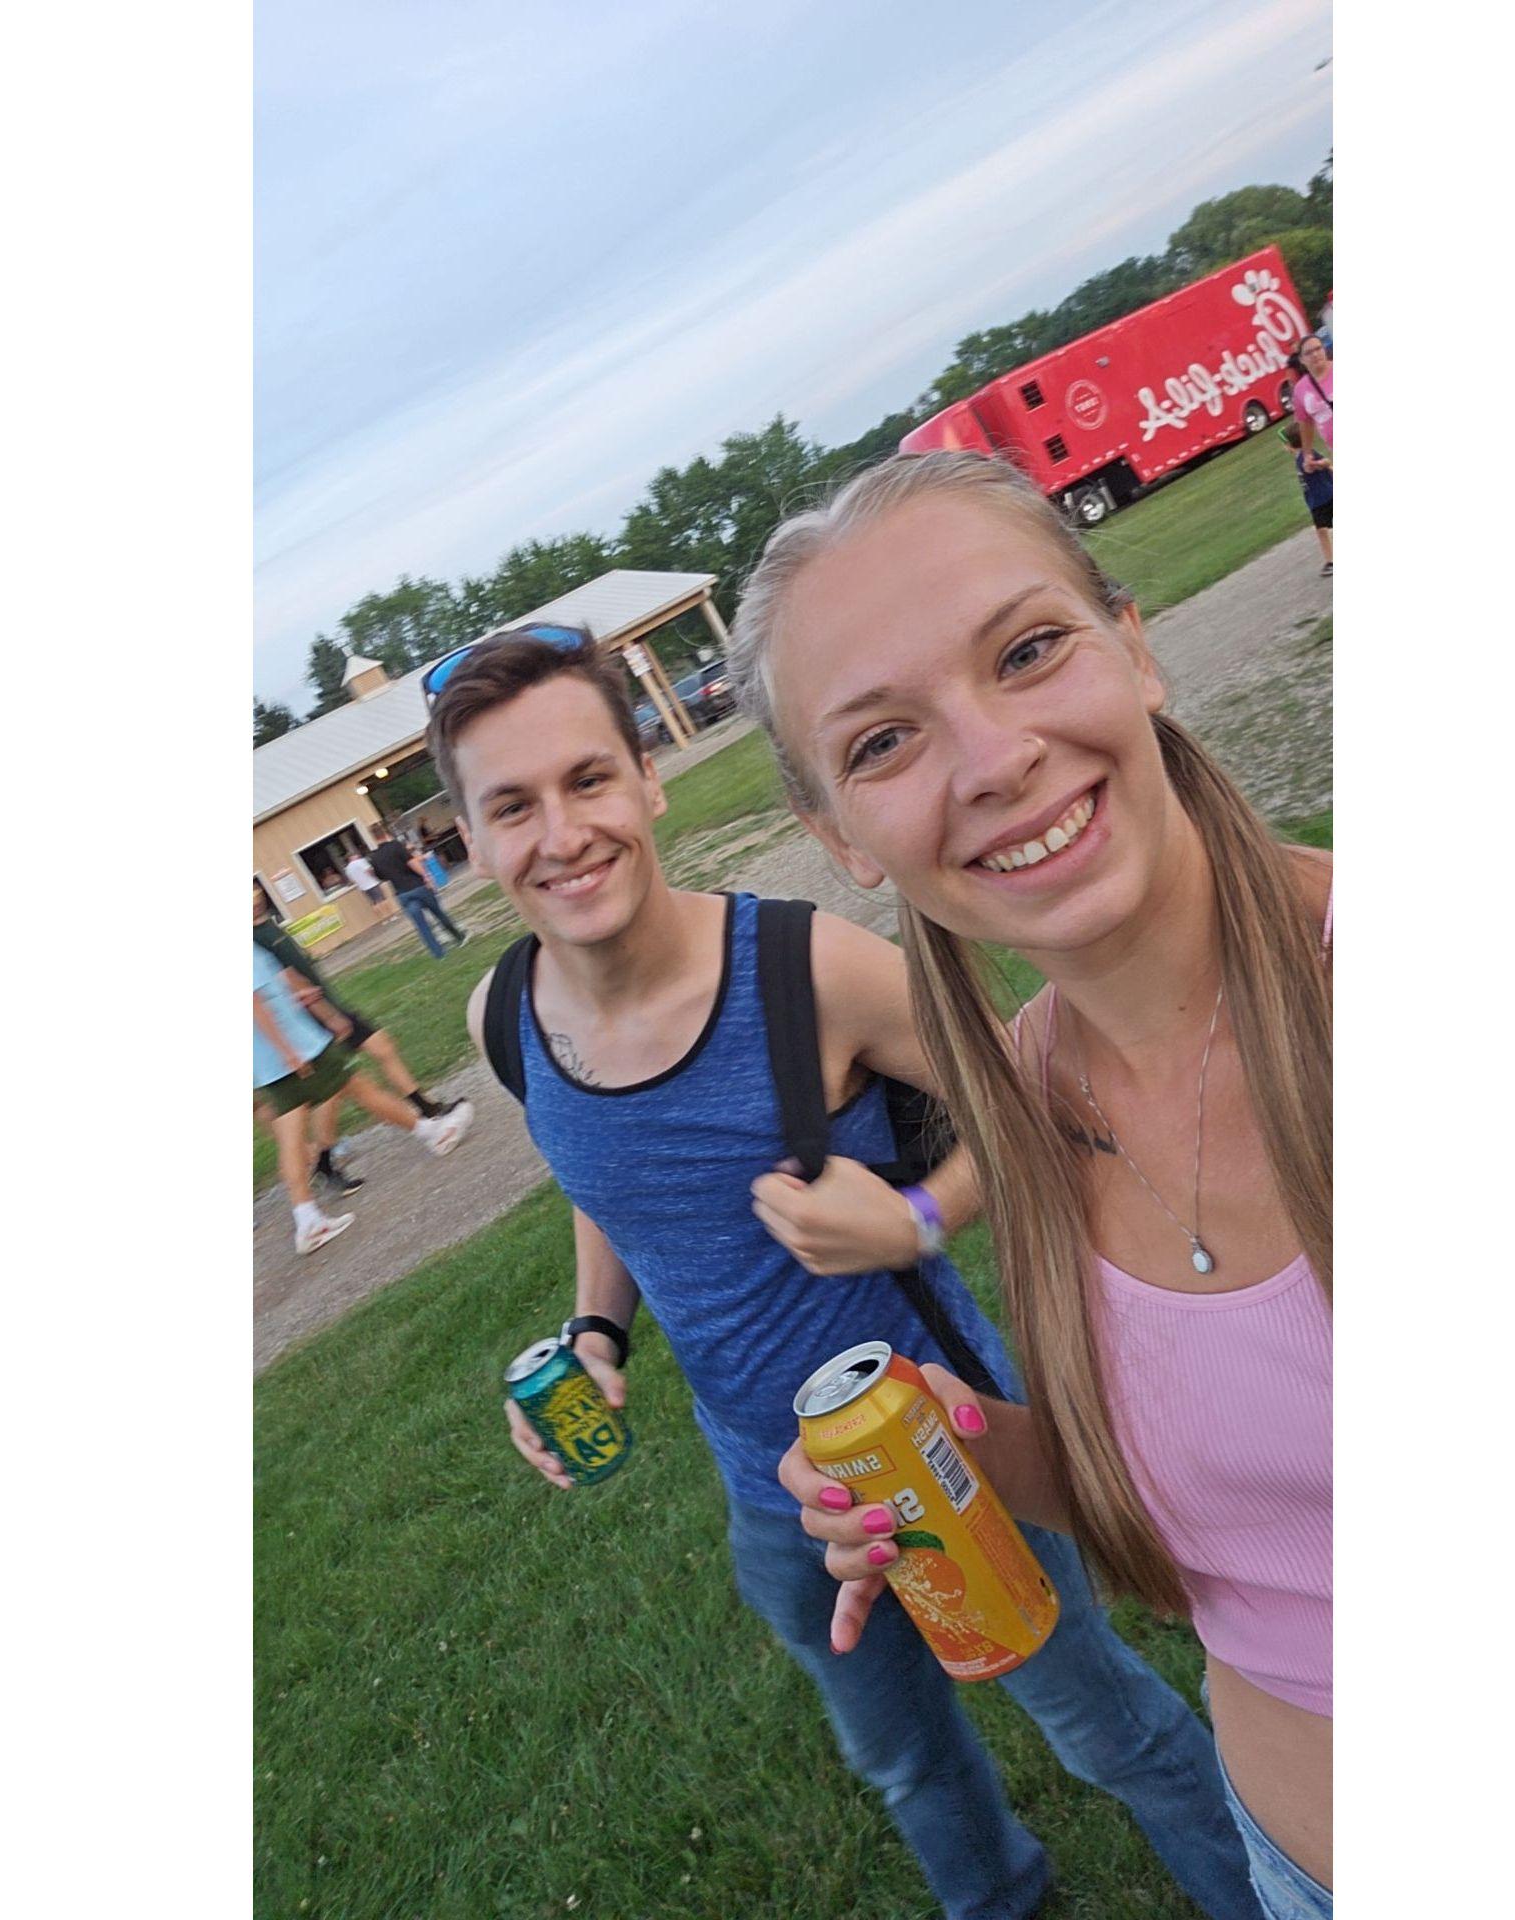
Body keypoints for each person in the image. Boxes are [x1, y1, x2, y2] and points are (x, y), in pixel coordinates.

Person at [422, 622, 1258, 1920]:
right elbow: (613, 1193)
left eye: (587, 780)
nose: (562, 833)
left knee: (1104, 1732)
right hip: (765, 1490)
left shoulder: (804, 973)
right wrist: (597, 1332)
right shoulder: (506, 1018)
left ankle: (1257, 1899)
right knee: (901, 1758)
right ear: (471, 845)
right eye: (511, 807)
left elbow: (1046, 1097)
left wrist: (914, 1219)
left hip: (941, 1445)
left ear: (648, 779)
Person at [729, 449, 1332, 1917]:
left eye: (1029, 650)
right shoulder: (1025, 1101)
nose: (992, 759)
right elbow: (1223, 1514)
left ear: (1136, 646)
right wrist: (959, 1446)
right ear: (838, 840)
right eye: (882, 743)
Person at [254, 941, 473, 1255]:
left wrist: (294, 1000)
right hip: (301, 1051)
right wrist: (288, 1051)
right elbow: (254, 1003)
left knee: (292, 1138)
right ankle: (434, 1132)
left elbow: (266, 995)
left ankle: (308, 1220)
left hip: (270, 1067)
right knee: (362, 1089)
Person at [252, 882, 468, 1199]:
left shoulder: (267, 929)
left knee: (361, 1073)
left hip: (311, 1022)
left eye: (254, 889)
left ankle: (312, 1200)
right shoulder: (250, 941)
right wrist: (315, 1024)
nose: (254, 897)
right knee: (348, 1089)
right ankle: (429, 1128)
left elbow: (287, 976)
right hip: (304, 1031)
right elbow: (267, 996)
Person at [367, 822, 466, 959]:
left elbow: (381, 877)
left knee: (422, 925)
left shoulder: (374, 857)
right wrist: (426, 876)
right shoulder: (396, 846)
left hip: (402, 893)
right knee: (438, 914)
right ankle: (459, 937)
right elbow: (412, 862)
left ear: (373, 837)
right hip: (417, 886)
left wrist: (372, 873)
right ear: (384, 833)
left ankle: (438, 953)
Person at [1281, 423, 1332, 576]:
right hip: (1321, 499)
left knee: (1322, 531)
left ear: (1289, 445)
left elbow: (1320, 464)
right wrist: (1320, 464)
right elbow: (1327, 463)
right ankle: (1331, 561)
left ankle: (1331, 562)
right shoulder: (1305, 454)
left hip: (1322, 500)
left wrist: (1314, 465)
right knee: (1322, 530)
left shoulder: (1304, 456)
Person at [1290, 334, 1333, 471]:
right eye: (1308, 353)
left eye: (1318, 349)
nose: (1315, 354)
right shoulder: (1300, 389)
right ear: (1302, 360)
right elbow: (1305, 422)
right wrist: (1307, 454)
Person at [343, 846, 396, 923]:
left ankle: (384, 919)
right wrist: (376, 878)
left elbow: (352, 880)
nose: (357, 856)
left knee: (375, 903)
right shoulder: (360, 861)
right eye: (355, 855)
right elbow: (369, 870)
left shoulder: (347, 869)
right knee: (382, 900)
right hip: (372, 883)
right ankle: (391, 916)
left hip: (363, 887)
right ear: (352, 857)